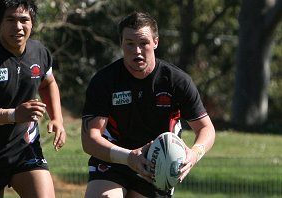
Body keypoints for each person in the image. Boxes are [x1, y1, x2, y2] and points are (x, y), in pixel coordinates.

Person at [81, 11, 215, 198]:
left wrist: (194, 154)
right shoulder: (104, 81)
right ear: (121, 44)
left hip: (158, 164)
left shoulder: (176, 81)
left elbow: (206, 128)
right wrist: (128, 157)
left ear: (155, 42)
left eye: (143, 43)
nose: (137, 51)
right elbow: (90, 140)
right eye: (130, 44)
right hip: (114, 160)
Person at [0, 0, 66, 197]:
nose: (18, 26)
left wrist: (57, 119)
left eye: (24, 20)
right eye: (10, 19)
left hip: (25, 147)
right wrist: (13, 115)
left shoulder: (40, 52)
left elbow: (48, 83)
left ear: (32, 23)